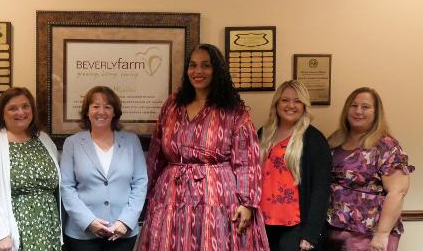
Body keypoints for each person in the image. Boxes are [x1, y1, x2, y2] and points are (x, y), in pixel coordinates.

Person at [136, 44, 268, 251]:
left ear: (217, 70)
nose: (197, 72)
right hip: (171, 196)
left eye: (205, 66)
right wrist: (147, 192)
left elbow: (247, 160)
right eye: (193, 65)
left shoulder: (233, 110)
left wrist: (248, 203)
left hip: (217, 197)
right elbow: (156, 153)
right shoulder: (172, 105)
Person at [0, 87, 61, 251]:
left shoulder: (44, 140)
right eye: (12, 108)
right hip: (2, 235)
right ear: (2, 113)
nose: (20, 112)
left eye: (25, 106)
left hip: (45, 231)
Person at [325, 87, 414, 251]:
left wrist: (381, 235)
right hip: (333, 233)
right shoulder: (334, 140)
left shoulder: (386, 145)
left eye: (365, 107)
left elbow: (397, 192)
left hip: (368, 236)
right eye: (354, 105)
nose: (358, 111)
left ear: (376, 112)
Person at [60, 86, 148, 251]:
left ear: (115, 112)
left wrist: (125, 221)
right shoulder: (72, 143)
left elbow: (140, 183)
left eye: (107, 107)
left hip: (122, 233)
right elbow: (66, 187)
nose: (101, 111)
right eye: (95, 106)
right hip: (82, 234)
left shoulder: (131, 141)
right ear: (87, 111)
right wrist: (89, 222)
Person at [258, 80, 331, 251]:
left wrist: (310, 234)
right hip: (262, 222)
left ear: (305, 106)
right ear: (276, 104)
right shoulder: (263, 133)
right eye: (285, 100)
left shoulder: (314, 140)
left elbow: (321, 190)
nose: (291, 105)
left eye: (297, 101)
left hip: (295, 226)